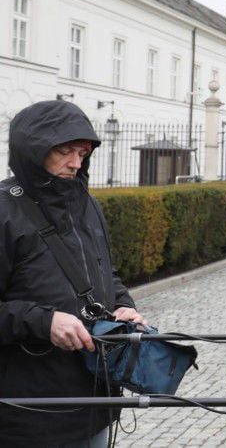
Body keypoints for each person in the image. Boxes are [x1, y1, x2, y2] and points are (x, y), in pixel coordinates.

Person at [0, 100, 145, 448]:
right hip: (29, 412)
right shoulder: (4, 211)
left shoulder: (87, 204)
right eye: (65, 151)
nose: (76, 163)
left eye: (82, 152)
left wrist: (124, 306)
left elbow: (104, 273)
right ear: (33, 149)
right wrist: (43, 322)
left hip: (95, 399)